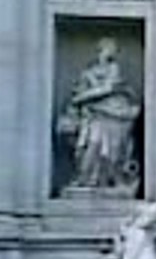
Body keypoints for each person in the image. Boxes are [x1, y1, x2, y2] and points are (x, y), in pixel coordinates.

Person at [60, 37, 140, 190]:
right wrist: (97, 93)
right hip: (94, 117)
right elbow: (78, 95)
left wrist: (83, 98)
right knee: (91, 146)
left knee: (112, 152)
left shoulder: (117, 74)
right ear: (101, 50)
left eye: (114, 50)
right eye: (109, 49)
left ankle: (108, 180)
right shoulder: (88, 73)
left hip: (115, 117)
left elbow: (119, 94)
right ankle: (86, 178)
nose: (112, 53)